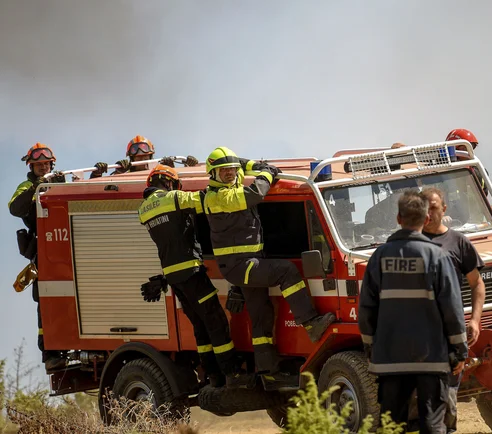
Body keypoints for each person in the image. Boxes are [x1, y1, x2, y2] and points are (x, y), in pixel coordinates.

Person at [203, 147, 335, 390]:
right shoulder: (217, 197)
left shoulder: (230, 183)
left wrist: (260, 166)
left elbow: (243, 165)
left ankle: (268, 372)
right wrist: (266, 175)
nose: (231, 173)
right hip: (240, 266)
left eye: (232, 169)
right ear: (213, 174)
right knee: (287, 271)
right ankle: (310, 323)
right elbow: (255, 194)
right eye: (225, 171)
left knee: (261, 313)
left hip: (247, 263)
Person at [359, 190, 468, 433]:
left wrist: (370, 347)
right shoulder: (438, 257)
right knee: (432, 424)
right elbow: (452, 308)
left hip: (389, 359)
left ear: (398, 218)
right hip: (431, 359)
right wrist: (459, 351)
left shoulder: (379, 257)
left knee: (392, 425)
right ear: (426, 219)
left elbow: (366, 307)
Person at [137, 165, 253, 389]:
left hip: (173, 278)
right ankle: (232, 374)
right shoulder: (174, 198)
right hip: (191, 272)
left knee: (200, 325)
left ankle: (213, 376)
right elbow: (207, 200)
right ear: (169, 183)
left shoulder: (143, 210)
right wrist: (226, 183)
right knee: (215, 320)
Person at [420, 187, 485, 434]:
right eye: (424, 207)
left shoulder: (459, 243)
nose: (429, 213)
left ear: (444, 209)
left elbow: (477, 284)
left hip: (449, 337)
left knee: (446, 402)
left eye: (434, 207)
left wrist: (475, 320)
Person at [8, 143, 67, 371]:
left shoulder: (60, 182)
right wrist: (36, 189)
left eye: (46, 164)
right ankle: (50, 353)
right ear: (31, 167)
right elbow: (15, 208)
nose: (43, 168)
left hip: (65, 248)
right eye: (38, 165)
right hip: (43, 252)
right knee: (46, 302)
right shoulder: (27, 185)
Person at [91, 135, 198, 178]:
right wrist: (97, 173)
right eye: (138, 158)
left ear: (151, 156)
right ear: (131, 159)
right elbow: (98, 189)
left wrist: (190, 166)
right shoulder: (122, 177)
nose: (141, 159)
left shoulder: (160, 173)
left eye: (144, 157)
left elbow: (183, 184)